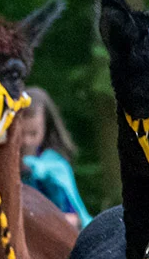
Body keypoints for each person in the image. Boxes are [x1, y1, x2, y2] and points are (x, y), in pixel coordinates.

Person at [15, 86, 93, 226]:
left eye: (33, 134)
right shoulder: (11, 162)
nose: (26, 141)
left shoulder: (55, 162)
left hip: (62, 223)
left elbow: (74, 214)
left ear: (46, 128)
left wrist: (31, 167)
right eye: (21, 134)